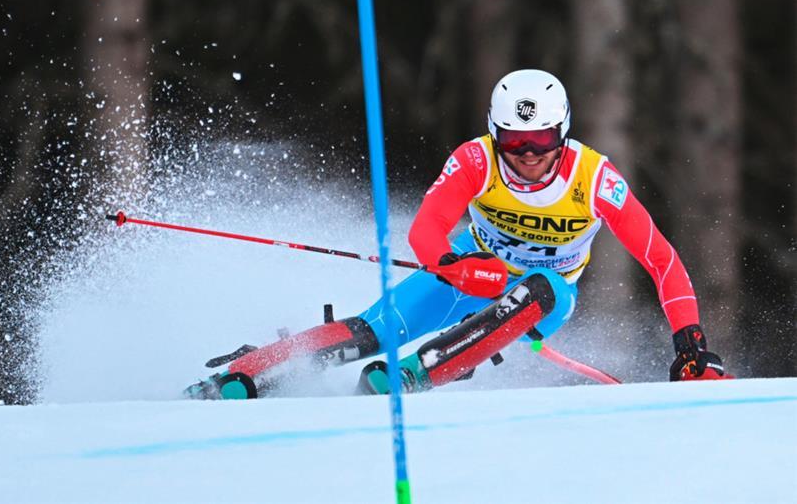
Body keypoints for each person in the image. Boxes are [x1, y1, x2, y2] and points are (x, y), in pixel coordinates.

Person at [186, 69, 727, 400]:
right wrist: (453, 264)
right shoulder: (475, 160)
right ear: (496, 135)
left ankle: (419, 373)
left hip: (545, 292)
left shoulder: (595, 178)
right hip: (471, 269)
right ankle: (249, 374)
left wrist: (688, 337)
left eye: (542, 139)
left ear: (562, 134)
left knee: (543, 290)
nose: (530, 155)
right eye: (515, 141)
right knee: (373, 328)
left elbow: (660, 257)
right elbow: (427, 227)